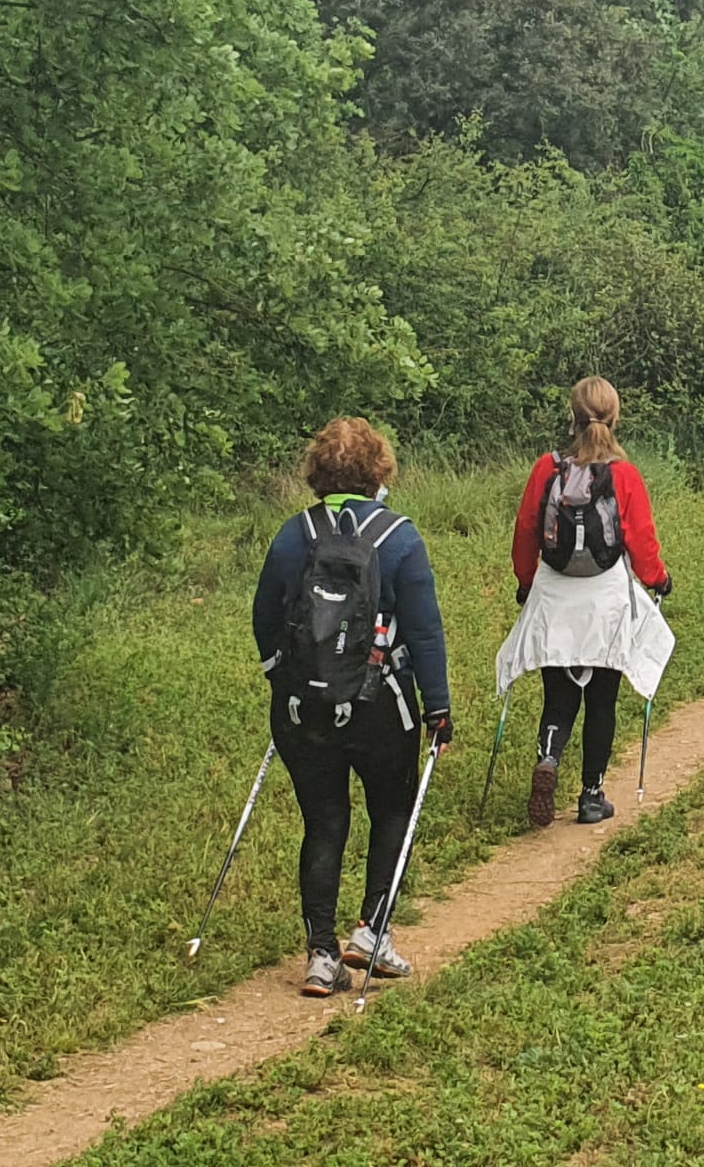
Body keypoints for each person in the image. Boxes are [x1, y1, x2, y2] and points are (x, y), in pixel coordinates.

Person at [252, 417, 453, 998]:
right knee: (392, 809)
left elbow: (266, 619)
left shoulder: (294, 534)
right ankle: (371, 932)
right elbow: (426, 631)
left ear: (316, 471)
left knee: (324, 820)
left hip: (302, 708)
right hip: (381, 704)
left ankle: (320, 956)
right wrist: (437, 708)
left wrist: (281, 680)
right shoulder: (401, 537)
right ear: (378, 470)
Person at [507, 377, 673, 830]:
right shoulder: (625, 475)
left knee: (558, 700)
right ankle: (592, 795)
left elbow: (525, 532)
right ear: (615, 416)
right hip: (606, 602)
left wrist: (526, 583)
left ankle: (548, 759)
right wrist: (660, 579)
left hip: (554, 596)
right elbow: (640, 542)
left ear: (572, 416)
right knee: (603, 700)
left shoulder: (547, 468)